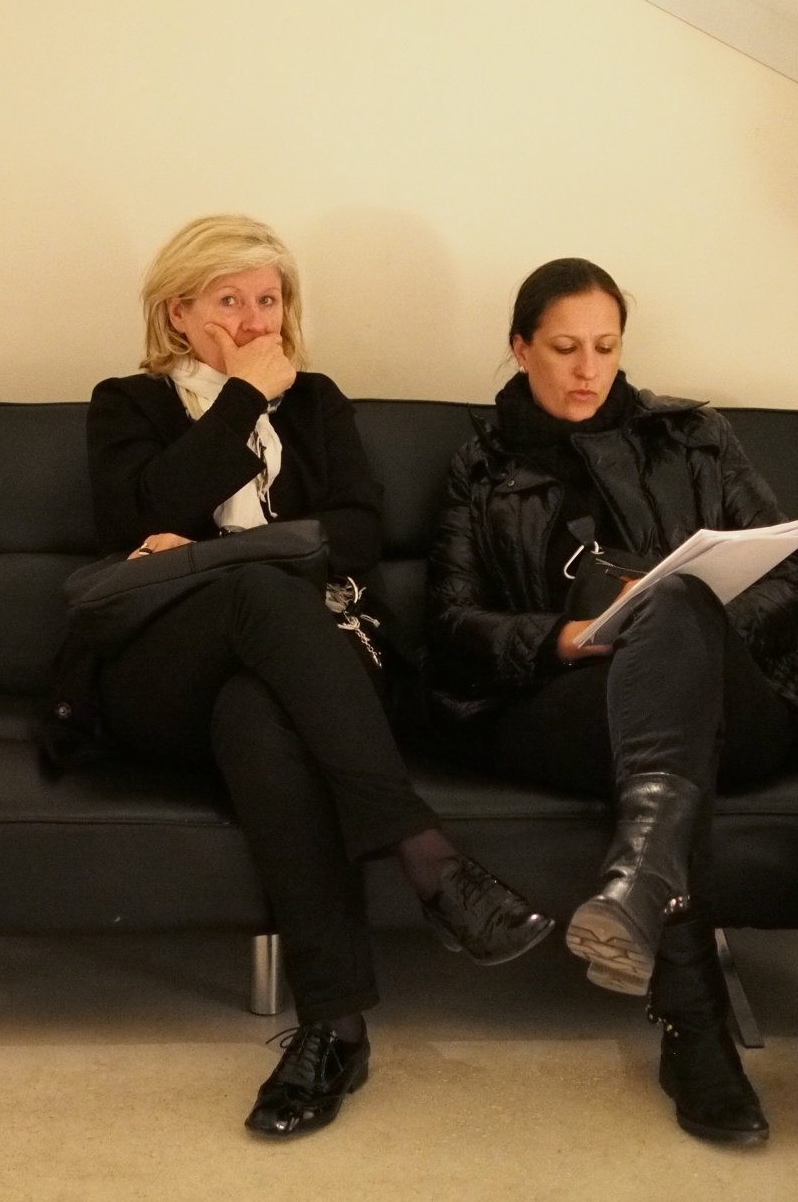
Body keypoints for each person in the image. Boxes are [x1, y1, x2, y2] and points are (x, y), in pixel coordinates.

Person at [84, 215, 555, 1139]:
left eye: (269, 299)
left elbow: (361, 534)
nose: (256, 320)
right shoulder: (126, 405)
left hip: (310, 664)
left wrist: (214, 550)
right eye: (229, 300)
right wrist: (240, 404)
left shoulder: (317, 402)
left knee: (259, 713)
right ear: (179, 313)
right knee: (257, 589)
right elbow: (136, 518)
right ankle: (427, 857)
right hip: (159, 673)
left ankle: (334, 1030)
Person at [427, 258, 798, 1146]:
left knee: (678, 604)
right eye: (564, 349)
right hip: (562, 703)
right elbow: (452, 623)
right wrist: (561, 638)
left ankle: (651, 919)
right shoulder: (479, 469)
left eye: (605, 347)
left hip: (734, 695)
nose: (587, 370)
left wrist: (690, 627)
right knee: (662, 715)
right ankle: (692, 1024)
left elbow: (789, 575)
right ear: (519, 348)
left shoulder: (695, 438)